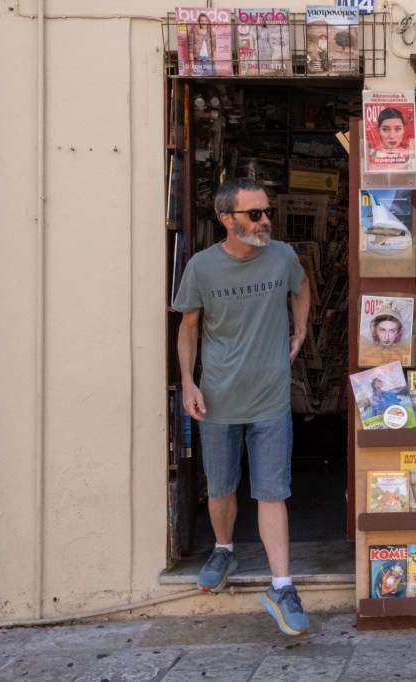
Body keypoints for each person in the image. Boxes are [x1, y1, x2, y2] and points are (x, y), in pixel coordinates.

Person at [173, 177, 311, 636]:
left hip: (271, 398)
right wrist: (188, 383)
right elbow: (188, 328)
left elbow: (302, 285)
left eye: (267, 211)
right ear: (226, 220)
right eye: (255, 214)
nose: (265, 220)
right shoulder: (201, 268)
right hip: (218, 399)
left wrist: (300, 331)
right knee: (221, 487)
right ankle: (223, 549)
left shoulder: (282, 256)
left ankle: (282, 586)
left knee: (273, 492)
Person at [368, 107, 414, 171]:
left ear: (404, 130)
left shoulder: (411, 152)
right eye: (385, 129)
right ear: (379, 131)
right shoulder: (372, 155)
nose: (392, 136)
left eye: (398, 129)